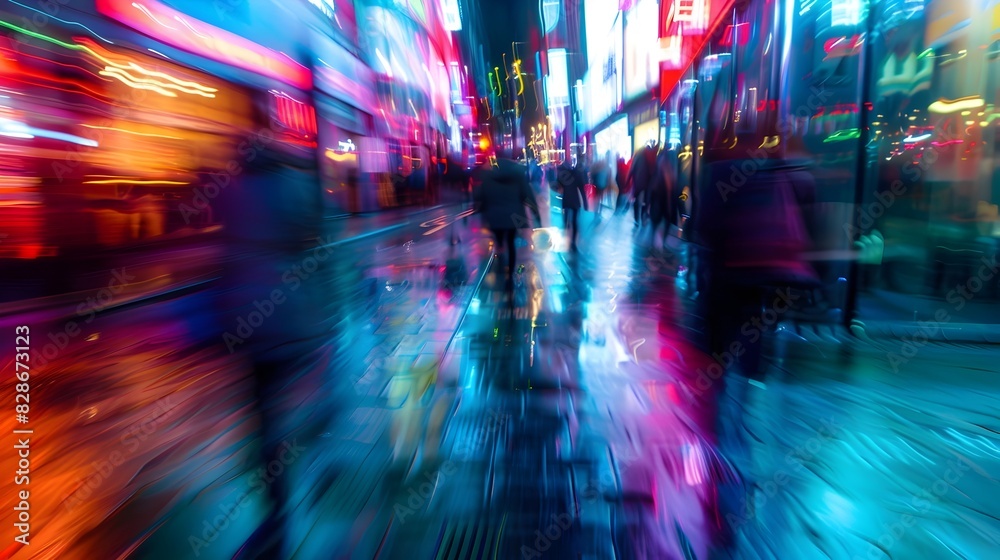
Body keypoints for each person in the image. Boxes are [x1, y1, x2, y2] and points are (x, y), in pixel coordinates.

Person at [473, 150, 539, 286]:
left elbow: (480, 195)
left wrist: (479, 209)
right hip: (513, 216)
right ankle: (510, 273)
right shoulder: (518, 174)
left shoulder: (489, 175)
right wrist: (536, 212)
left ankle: (501, 269)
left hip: (494, 217)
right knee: (511, 243)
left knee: (499, 243)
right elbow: (527, 195)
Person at [557, 150, 588, 251]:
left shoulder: (564, 174)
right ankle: (573, 242)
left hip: (567, 199)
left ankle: (566, 236)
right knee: (575, 222)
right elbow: (582, 189)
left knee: (566, 218)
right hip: (575, 200)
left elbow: (558, 184)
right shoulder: (577, 174)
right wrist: (585, 203)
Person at [627, 141, 658, 226]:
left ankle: (637, 220)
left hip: (639, 180)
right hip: (650, 181)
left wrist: (627, 180)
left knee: (637, 200)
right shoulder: (653, 154)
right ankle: (643, 218)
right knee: (646, 201)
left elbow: (632, 168)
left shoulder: (638, 153)